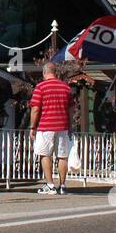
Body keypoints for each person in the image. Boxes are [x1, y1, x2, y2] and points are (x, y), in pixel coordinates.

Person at [29, 62, 74, 195]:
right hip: (63, 126)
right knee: (62, 156)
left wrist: (33, 126)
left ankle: (50, 185)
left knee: (45, 154)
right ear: (56, 72)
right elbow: (71, 109)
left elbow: (35, 108)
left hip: (46, 126)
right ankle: (63, 185)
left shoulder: (40, 87)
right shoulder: (66, 88)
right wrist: (70, 125)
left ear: (44, 72)